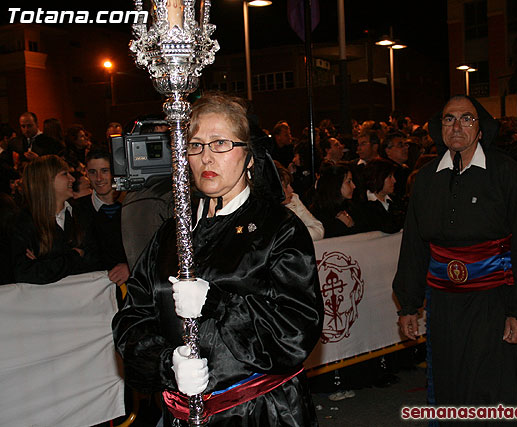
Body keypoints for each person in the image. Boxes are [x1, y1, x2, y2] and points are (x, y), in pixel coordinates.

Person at [112, 93, 323, 426]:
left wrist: (219, 304)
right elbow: (132, 318)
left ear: (249, 156)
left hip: (256, 413)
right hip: (179, 415)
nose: (207, 157)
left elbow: (296, 330)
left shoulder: (277, 229)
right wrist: (168, 363)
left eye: (221, 143)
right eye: (195, 146)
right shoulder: (171, 233)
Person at [392, 95, 517, 408]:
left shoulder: (505, 173)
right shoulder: (425, 179)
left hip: (494, 301)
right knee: (450, 387)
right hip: (444, 304)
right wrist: (408, 304)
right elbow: (414, 247)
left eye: (467, 118)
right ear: (440, 128)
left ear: (480, 129)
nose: (457, 126)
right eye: (449, 118)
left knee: (491, 388)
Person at [8, 155, 100, 284]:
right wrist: (74, 256)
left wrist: (46, 263)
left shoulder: (82, 214)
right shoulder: (23, 222)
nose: (72, 179)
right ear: (45, 180)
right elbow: (26, 274)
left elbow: (96, 260)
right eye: (64, 174)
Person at [75, 149, 130, 286]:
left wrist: (131, 265)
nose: (99, 178)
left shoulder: (133, 207)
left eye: (105, 171)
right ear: (86, 173)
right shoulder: (77, 209)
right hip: (93, 290)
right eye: (93, 172)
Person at [310, 161, 363, 238]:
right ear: (336, 184)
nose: (353, 186)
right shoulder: (318, 212)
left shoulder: (352, 206)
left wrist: (352, 224)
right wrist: (341, 225)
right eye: (348, 182)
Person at [275, 161, 324, 240]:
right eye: (286, 186)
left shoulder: (294, 199)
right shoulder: (261, 211)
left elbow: (319, 230)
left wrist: (292, 233)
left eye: (290, 184)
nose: (291, 190)